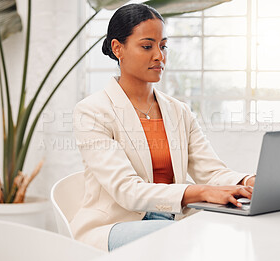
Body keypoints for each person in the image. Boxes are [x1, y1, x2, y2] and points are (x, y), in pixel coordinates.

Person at [71, 3, 255, 252]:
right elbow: (127, 191)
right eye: (147, 46)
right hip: (116, 224)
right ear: (118, 49)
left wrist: (247, 181)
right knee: (182, 237)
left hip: (171, 220)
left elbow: (211, 172)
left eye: (163, 45)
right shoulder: (92, 111)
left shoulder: (178, 111)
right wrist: (200, 192)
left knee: (225, 231)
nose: (159, 55)